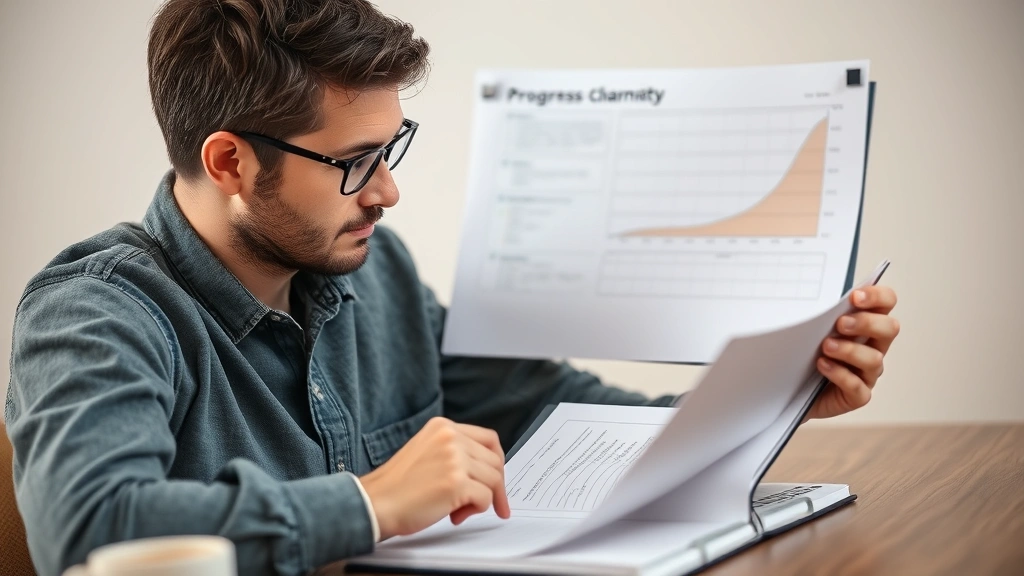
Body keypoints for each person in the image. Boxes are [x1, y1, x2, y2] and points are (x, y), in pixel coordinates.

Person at [3, 1, 900, 575]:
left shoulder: (371, 266)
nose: (389, 192)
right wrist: (370, 503)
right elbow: (91, 528)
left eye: (392, 148)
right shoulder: (95, 311)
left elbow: (544, 409)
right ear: (231, 161)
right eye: (357, 162)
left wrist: (775, 399)